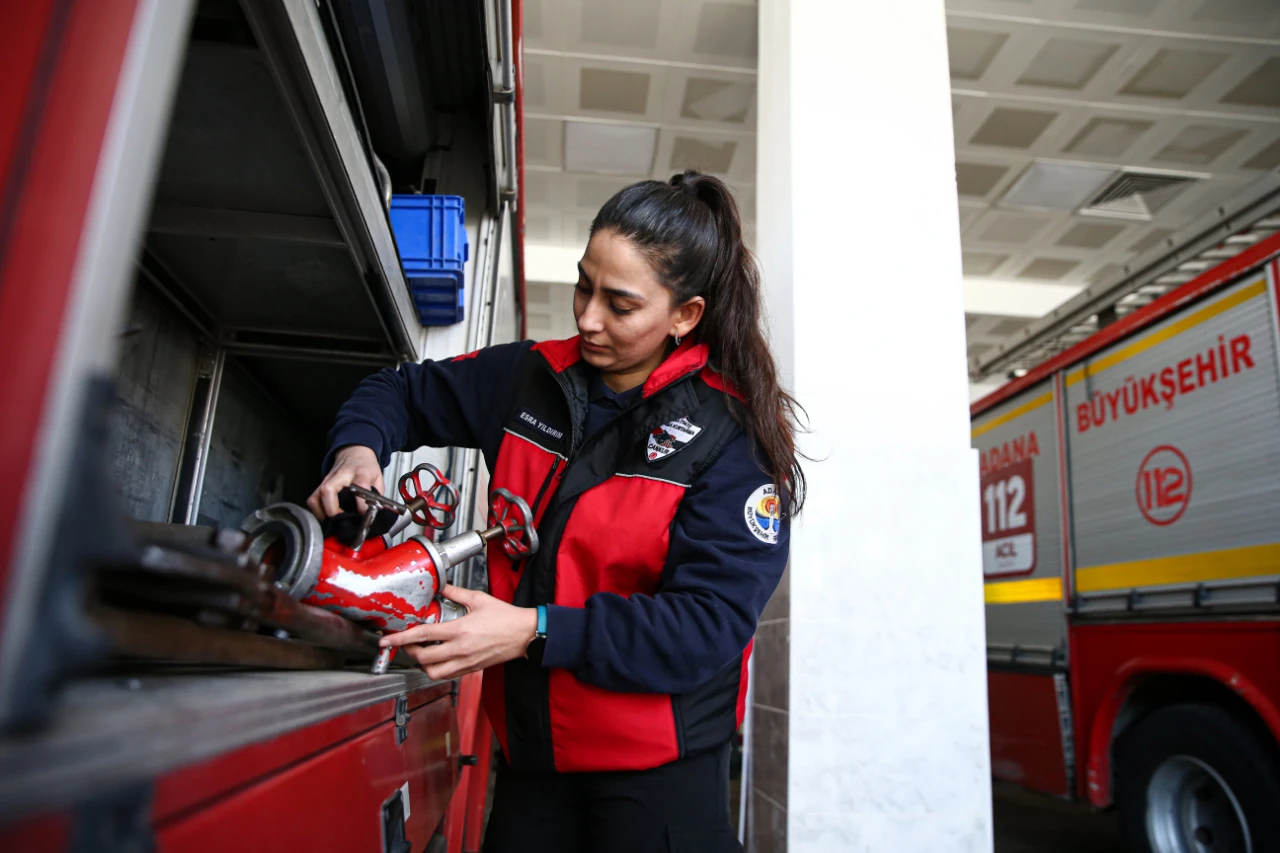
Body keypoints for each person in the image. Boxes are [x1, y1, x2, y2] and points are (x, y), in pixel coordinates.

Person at [308, 171, 803, 852]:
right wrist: (358, 453)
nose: (588, 318)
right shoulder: (529, 379)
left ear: (684, 316)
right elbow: (399, 391)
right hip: (534, 763)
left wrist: (534, 631)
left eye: (620, 305)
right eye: (583, 286)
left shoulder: (728, 440)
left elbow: (705, 626)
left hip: (657, 781)